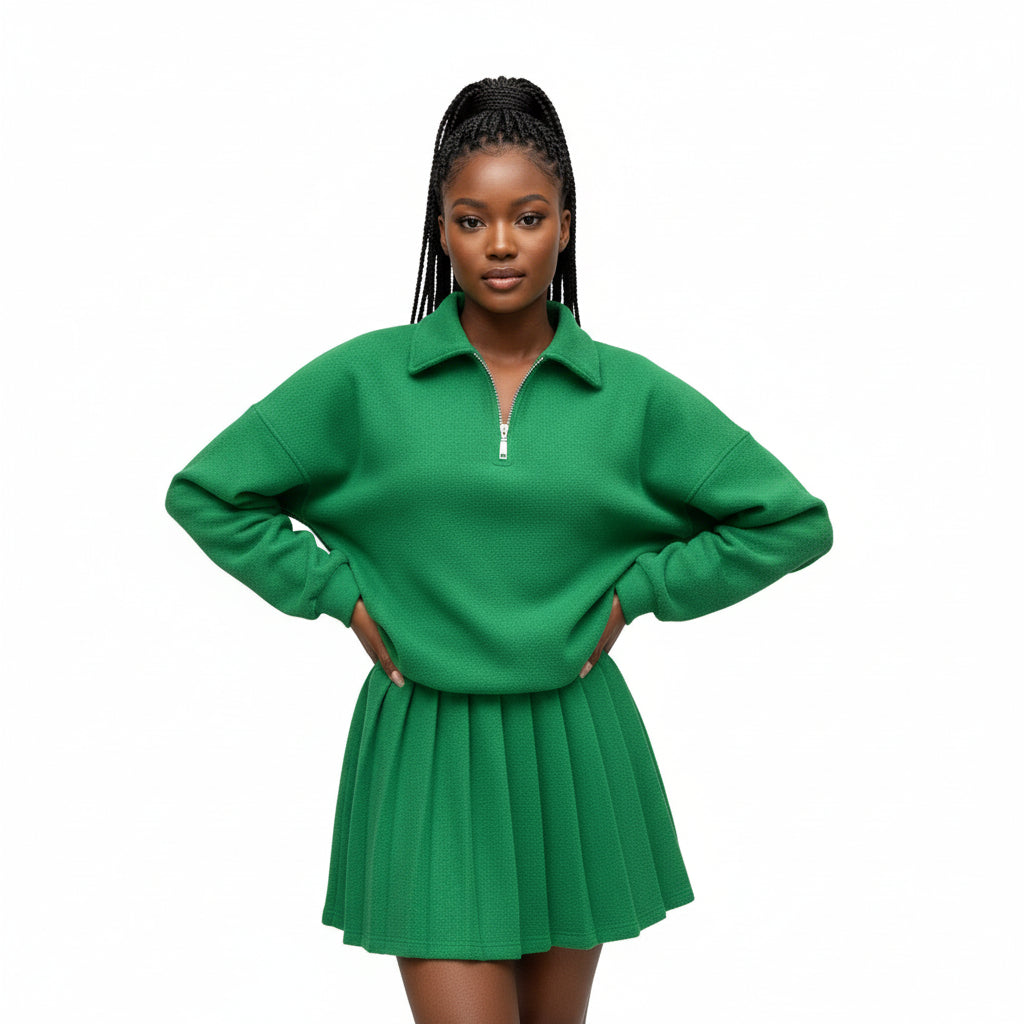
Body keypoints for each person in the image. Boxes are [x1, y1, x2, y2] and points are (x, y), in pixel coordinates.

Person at [165, 75, 833, 1024]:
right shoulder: (365, 380)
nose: (502, 243)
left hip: (573, 741)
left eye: (528, 216)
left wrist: (639, 592)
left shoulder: (631, 395)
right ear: (440, 231)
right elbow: (209, 492)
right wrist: (336, 595)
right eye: (472, 220)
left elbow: (790, 521)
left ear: (566, 225)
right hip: (427, 742)